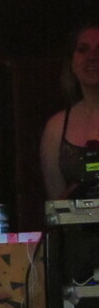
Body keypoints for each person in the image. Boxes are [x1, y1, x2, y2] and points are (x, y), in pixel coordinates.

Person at [40, 22, 99, 200]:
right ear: (72, 62)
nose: (92, 57)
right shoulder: (56, 127)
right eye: (82, 50)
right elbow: (57, 205)